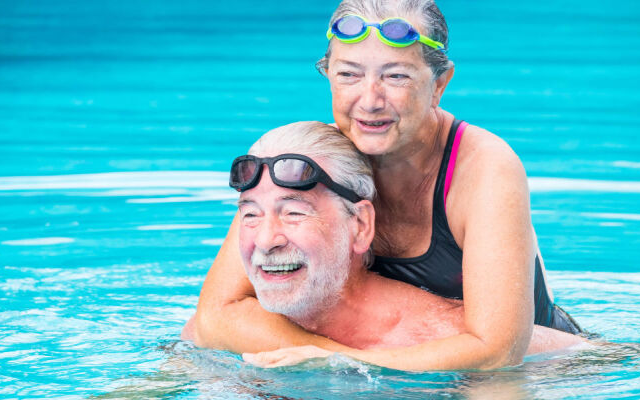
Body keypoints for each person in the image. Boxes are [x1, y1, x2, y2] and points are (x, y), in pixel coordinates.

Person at [189, 0, 584, 370]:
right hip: (385, 353)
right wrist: (327, 358)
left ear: (440, 83)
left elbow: (497, 351)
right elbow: (215, 313)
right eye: (349, 75)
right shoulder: (319, 159)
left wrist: (344, 364)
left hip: (535, 368)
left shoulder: (483, 168)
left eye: (395, 76)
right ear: (328, 75)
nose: (370, 101)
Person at [183, 121, 586, 370]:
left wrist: (339, 361)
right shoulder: (218, 333)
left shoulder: (434, 336)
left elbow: (580, 358)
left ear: (360, 226)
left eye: (293, 213)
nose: (266, 241)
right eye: (250, 214)